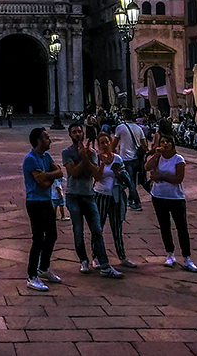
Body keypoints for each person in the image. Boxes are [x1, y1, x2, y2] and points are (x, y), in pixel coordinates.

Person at [61, 122, 122, 278]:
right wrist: (83, 159)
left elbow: (97, 175)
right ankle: (83, 260)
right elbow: (73, 172)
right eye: (74, 132)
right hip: (73, 195)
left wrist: (87, 157)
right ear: (70, 134)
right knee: (78, 230)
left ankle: (105, 265)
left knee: (97, 230)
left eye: (79, 131)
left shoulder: (92, 152)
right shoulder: (66, 152)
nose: (77, 134)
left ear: (83, 133)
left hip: (89, 194)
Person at [145, 132, 197, 272]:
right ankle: (170, 254)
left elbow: (178, 178)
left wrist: (161, 176)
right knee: (164, 226)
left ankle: (187, 258)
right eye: (163, 142)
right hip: (158, 196)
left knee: (182, 227)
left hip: (176, 197)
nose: (165, 144)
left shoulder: (178, 159)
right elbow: (147, 167)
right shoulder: (158, 158)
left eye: (168, 142)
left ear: (172, 144)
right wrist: (156, 155)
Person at [23, 127, 64, 291]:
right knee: (38, 238)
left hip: (46, 201)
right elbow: (42, 183)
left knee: (52, 235)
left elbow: (59, 173)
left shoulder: (46, 157)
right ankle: (32, 276)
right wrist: (50, 176)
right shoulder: (30, 159)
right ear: (39, 141)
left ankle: (44, 268)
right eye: (46, 137)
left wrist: (47, 175)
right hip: (34, 202)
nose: (50, 140)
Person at [94, 135, 137, 269]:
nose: (105, 145)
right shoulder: (96, 158)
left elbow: (126, 177)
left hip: (115, 195)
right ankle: (96, 257)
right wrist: (102, 163)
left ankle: (122, 255)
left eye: (107, 142)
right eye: (102, 143)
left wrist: (119, 174)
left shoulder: (117, 158)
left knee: (117, 226)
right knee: (98, 227)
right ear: (98, 145)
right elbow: (97, 176)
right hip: (100, 194)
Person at [114, 112, 145, 211]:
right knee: (132, 180)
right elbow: (144, 144)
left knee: (129, 182)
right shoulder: (138, 128)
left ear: (124, 117)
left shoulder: (120, 127)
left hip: (126, 158)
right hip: (136, 158)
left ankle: (137, 202)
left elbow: (114, 143)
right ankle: (130, 199)